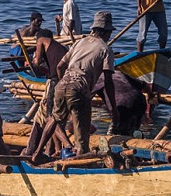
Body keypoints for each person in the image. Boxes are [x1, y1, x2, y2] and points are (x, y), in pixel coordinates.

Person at [33, 11, 119, 160]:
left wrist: (64, 83)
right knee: (82, 136)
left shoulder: (80, 42)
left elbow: (60, 67)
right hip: (80, 89)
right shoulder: (105, 50)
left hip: (62, 85)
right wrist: (113, 108)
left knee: (54, 118)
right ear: (105, 32)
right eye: (109, 33)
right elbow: (108, 82)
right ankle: (80, 161)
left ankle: (37, 153)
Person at [22, 28, 70, 156]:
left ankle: (68, 146)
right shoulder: (61, 48)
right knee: (57, 118)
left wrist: (33, 62)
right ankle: (55, 150)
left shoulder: (41, 40)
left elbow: (37, 62)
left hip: (54, 82)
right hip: (66, 82)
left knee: (49, 118)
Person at [92, 70, 148, 136]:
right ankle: (136, 136)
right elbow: (144, 85)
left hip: (123, 105)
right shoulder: (117, 73)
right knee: (134, 130)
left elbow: (86, 98)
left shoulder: (96, 78)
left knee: (116, 134)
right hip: (140, 101)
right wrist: (151, 95)